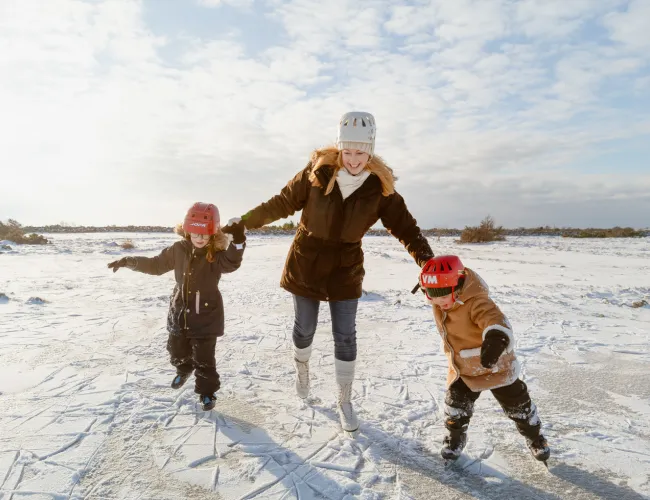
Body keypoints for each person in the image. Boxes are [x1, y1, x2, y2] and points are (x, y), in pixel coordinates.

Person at [223, 111, 433, 433]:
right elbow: (280, 203)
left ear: (371, 151)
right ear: (339, 148)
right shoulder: (316, 172)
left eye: (360, 152)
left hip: (345, 267)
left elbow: (406, 228)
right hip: (307, 259)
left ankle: (344, 399)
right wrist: (245, 220)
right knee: (304, 329)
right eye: (347, 152)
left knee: (345, 336)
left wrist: (426, 259)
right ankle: (302, 369)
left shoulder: (380, 188)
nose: (353, 160)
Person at [107, 202, 246, 411]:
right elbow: (155, 265)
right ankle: (183, 368)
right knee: (175, 348)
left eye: (204, 235)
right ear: (187, 230)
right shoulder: (178, 249)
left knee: (205, 359)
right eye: (195, 233)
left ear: (213, 233)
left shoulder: (216, 254)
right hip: (180, 311)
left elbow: (231, 263)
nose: (199, 239)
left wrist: (238, 242)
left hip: (206, 315)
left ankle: (207, 393)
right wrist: (129, 261)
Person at [417, 255, 550, 462]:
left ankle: (535, 437)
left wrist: (496, 337)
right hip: (464, 368)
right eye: (431, 294)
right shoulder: (441, 300)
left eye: (443, 293)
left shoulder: (476, 300)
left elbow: (494, 318)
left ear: (459, 283)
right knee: (455, 405)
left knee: (518, 405)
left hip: (495, 364)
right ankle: (455, 437)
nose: (439, 300)